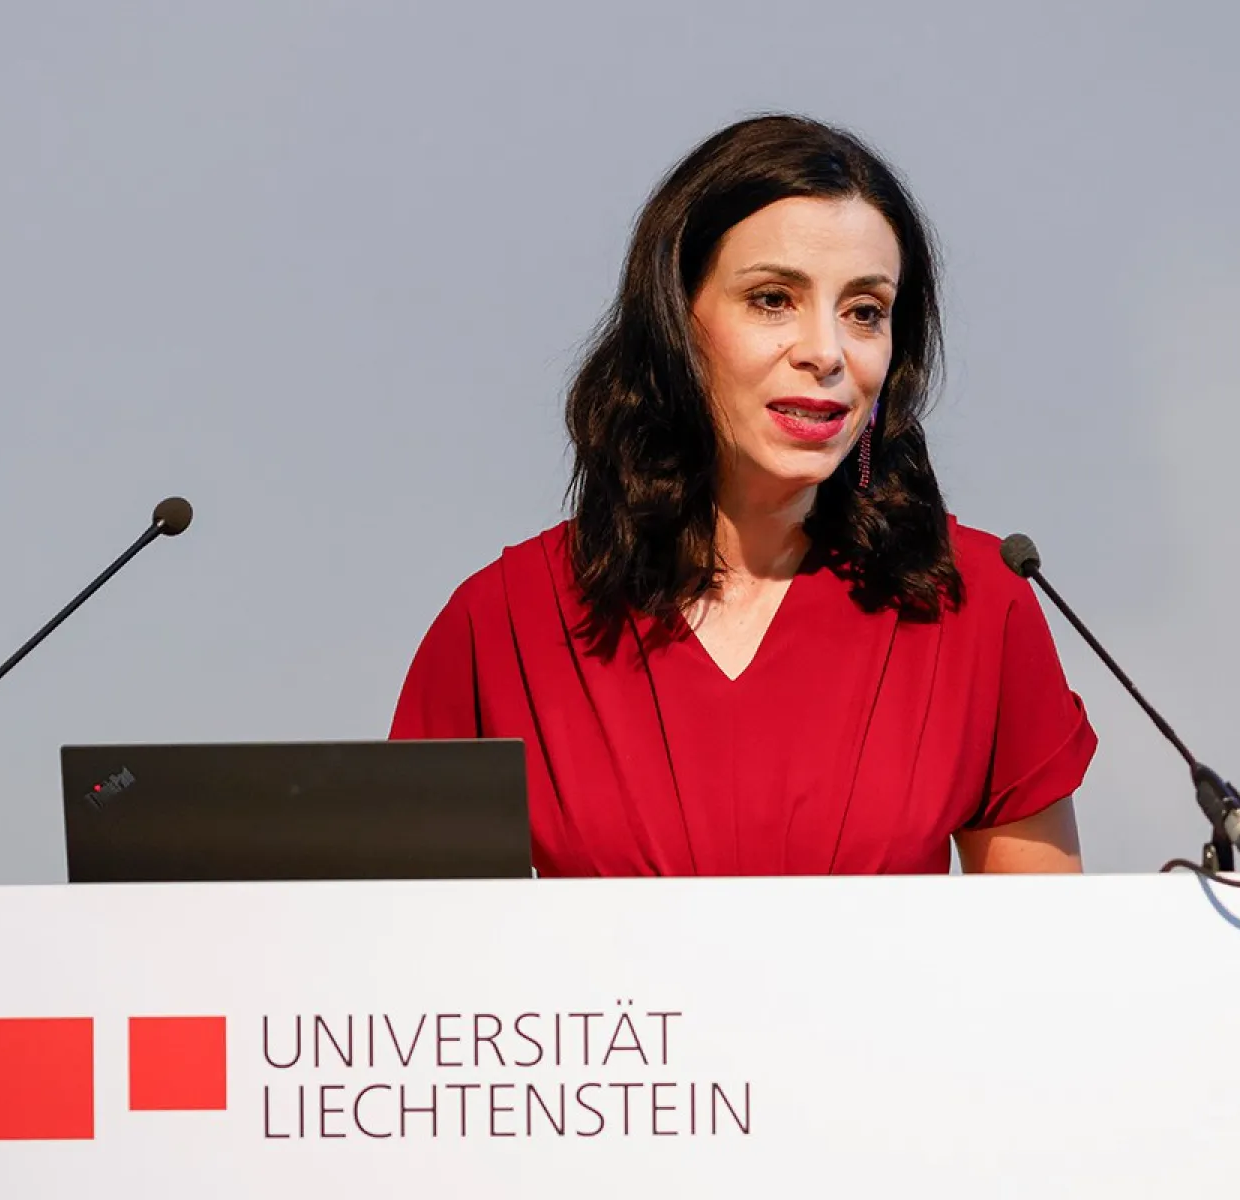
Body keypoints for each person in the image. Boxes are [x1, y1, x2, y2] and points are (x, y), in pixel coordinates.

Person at [389, 113, 1097, 877]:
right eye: (772, 300)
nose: (826, 353)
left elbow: (1046, 970)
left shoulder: (981, 605)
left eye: (865, 312)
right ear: (675, 320)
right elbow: (413, 970)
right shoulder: (500, 627)